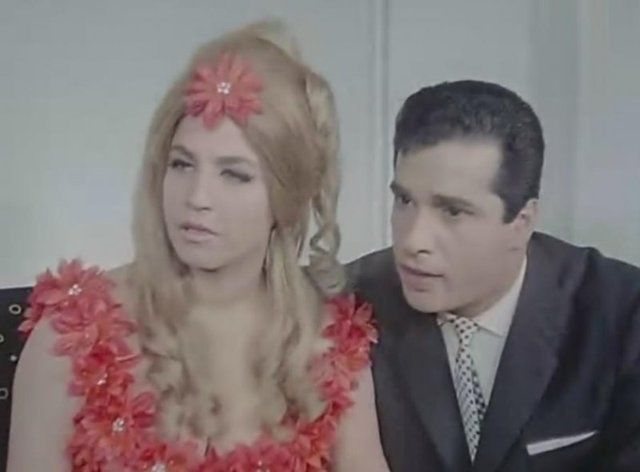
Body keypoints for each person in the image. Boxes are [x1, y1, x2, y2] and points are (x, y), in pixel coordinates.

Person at [8, 20, 389, 471]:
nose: (197, 197)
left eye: (234, 174)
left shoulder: (331, 349)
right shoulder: (71, 337)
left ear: (287, 198)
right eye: (182, 164)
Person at [348, 80, 640, 471]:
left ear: (522, 221)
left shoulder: (622, 313)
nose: (413, 240)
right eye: (404, 200)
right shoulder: (342, 308)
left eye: (452, 211)